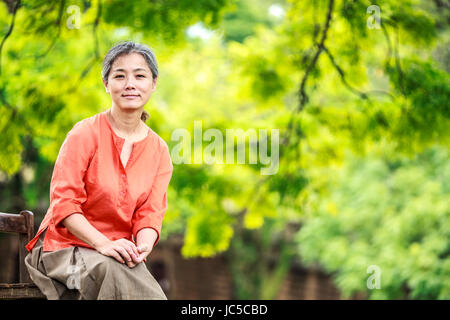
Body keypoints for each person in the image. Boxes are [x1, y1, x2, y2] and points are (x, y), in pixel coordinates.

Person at [24, 41, 173, 300]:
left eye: (140, 75)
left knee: (127, 273)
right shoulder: (84, 134)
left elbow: (150, 215)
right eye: (119, 76)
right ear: (106, 84)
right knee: (110, 271)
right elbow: (64, 205)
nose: (130, 84)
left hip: (117, 255)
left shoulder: (159, 151)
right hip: (62, 251)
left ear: (153, 83)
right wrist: (103, 244)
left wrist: (142, 247)